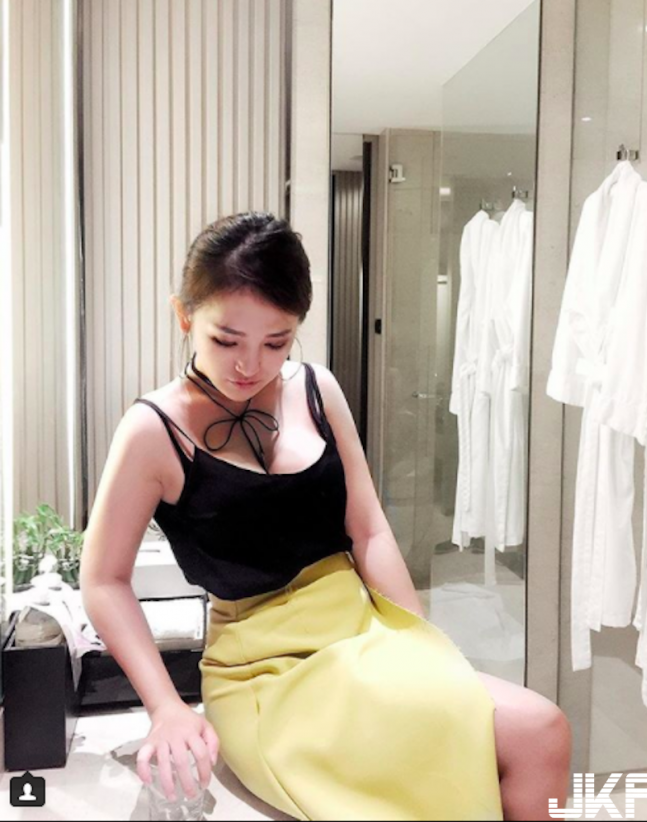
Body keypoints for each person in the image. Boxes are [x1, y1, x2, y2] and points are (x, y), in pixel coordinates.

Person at [80, 211, 572, 821]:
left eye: (277, 342)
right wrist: (165, 706)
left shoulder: (317, 389)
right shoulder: (153, 429)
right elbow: (103, 579)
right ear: (184, 316)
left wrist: (422, 645)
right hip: (262, 671)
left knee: (543, 729)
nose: (249, 364)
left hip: (362, 632)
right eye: (226, 340)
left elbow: (368, 530)